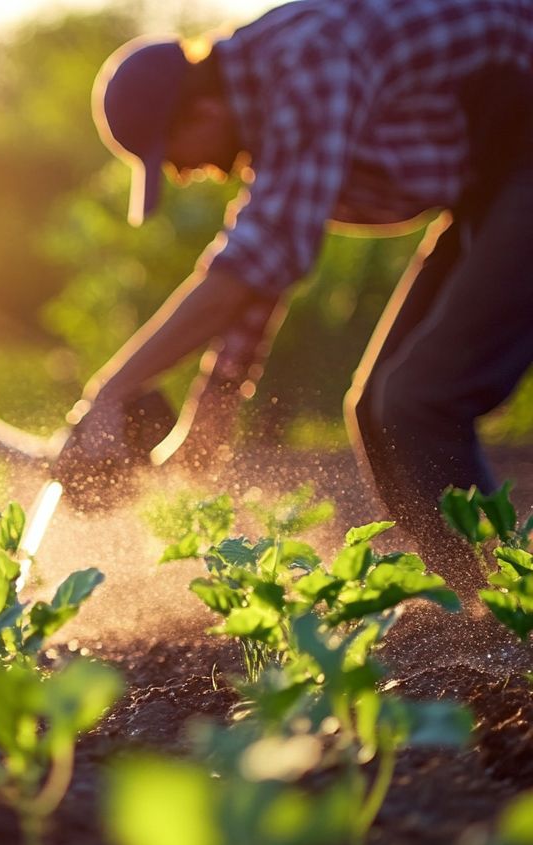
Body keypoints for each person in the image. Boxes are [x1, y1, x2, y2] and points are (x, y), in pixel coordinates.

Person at [55, 0, 533, 593]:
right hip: (491, 181)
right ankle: (473, 596)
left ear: (203, 105)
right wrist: (211, 417)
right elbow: (264, 261)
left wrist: (110, 392)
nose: (187, 171)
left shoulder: (309, 60)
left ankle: (511, 598)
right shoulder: (268, 102)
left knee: (418, 401)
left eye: (176, 155)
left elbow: (259, 260)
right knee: (376, 412)